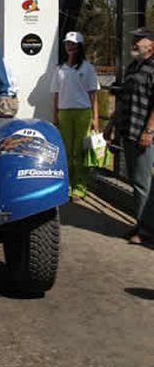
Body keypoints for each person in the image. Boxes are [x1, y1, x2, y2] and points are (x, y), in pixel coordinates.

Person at [109, 26, 154, 244]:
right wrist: (110, 127)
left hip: (143, 133)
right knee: (136, 181)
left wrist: (149, 130)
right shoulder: (132, 67)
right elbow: (122, 100)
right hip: (128, 130)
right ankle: (141, 223)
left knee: (142, 183)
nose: (134, 43)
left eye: (139, 39)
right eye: (133, 39)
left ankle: (146, 230)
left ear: (151, 44)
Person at [51, 31, 100, 202]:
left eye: (73, 44)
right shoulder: (59, 69)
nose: (69, 47)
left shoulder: (88, 68)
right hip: (64, 112)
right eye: (67, 43)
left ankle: (79, 187)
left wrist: (95, 118)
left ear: (79, 46)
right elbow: (56, 94)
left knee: (80, 152)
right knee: (66, 151)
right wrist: (55, 115)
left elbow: (93, 95)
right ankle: (67, 185)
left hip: (82, 113)